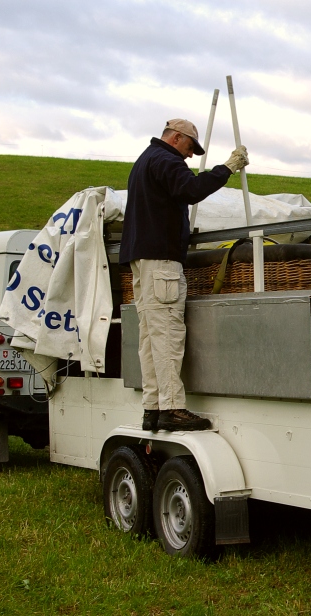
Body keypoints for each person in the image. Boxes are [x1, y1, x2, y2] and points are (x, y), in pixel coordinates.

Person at [120, 118, 248, 432]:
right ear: (176, 138)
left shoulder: (145, 160)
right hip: (161, 261)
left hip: (142, 259)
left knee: (150, 339)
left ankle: (153, 408)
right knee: (168, 337)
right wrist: (227, 167)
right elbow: (190, 189)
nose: (190, 156)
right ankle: (173, 408)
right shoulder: (165, 159)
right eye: (190, 148)